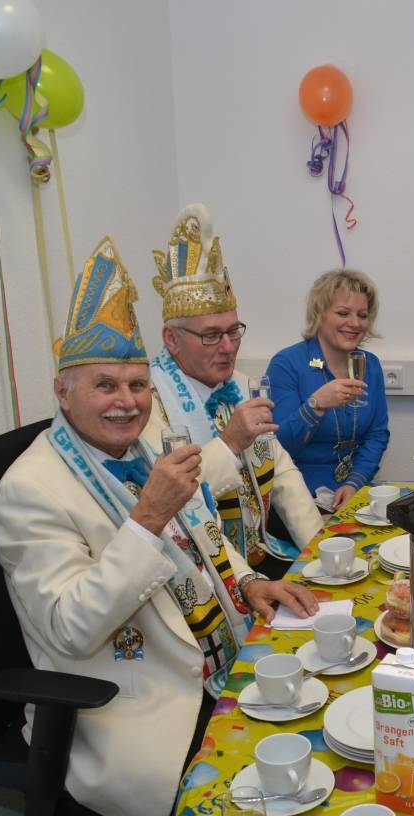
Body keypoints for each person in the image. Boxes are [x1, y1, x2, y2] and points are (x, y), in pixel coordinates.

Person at [0, 237, 318, 816]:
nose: (127, 402)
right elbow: (70, 628)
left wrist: (246, 583)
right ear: (63, 392)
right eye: (106, 385)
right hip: (140, 707)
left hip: (221, 655)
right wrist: (146, 519)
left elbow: (202, 532)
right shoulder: (27, 492)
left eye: (137, 385)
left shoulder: (141, 447)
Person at [146, 205, 322, 575]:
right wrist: (228, 443)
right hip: (202, 571)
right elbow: (171, 508)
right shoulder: (147, 404)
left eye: (233, 331)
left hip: (262, 555)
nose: (229, 347)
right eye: (211, 335)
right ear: (171, 339)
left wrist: (320, 552)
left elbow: (282, 471)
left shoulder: (241, 384)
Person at [268, 269, 389, 509]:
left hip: (354, 490)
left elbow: (377, 434)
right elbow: (279, 447)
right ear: (319, 314)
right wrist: (316, 405)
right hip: (299, 497)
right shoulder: (287, 364)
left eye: (362, 315)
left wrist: (354, 483)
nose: (354, 323)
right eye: (343, 313)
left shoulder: (370, 364)